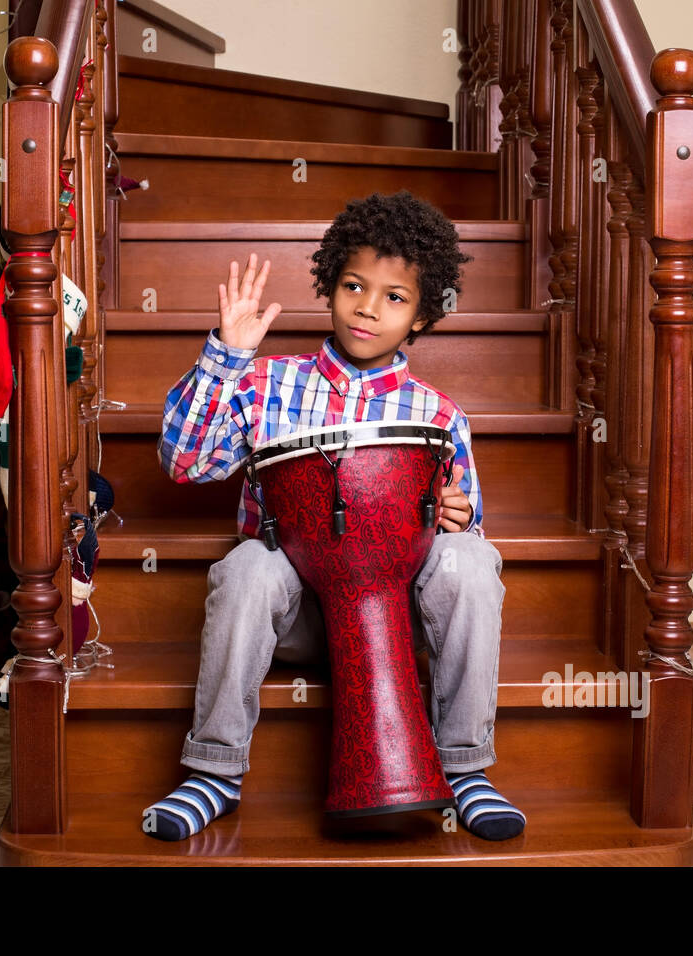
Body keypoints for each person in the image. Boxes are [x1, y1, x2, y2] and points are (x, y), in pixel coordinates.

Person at [142, 191, 525, 842]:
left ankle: (462, 767)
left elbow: (467, 528)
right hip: (299, 610)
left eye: (395, 297)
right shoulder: (265, 384)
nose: (369, 307)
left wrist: (455, 519)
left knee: (470, 560)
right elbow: (184, 464)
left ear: (424, 316)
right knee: (245, 569)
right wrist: (225, 357)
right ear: (330, 285)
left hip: (395, 624)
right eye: (354, 285)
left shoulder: (438, 416)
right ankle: (215, 769)